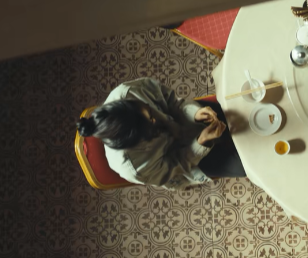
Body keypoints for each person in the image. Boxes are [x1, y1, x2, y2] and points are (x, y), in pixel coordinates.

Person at [76, 77, 244, 189]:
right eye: (151, 128)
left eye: (150, 112)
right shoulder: (133, 168)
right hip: (189, 161)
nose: (156, 120)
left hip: (184, 119)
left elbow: (172, 102)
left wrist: (194, 113)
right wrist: (200, 143)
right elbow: (176, 167)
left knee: (243, 106)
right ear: (137, 142)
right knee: (244, 165)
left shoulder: (130, 91)